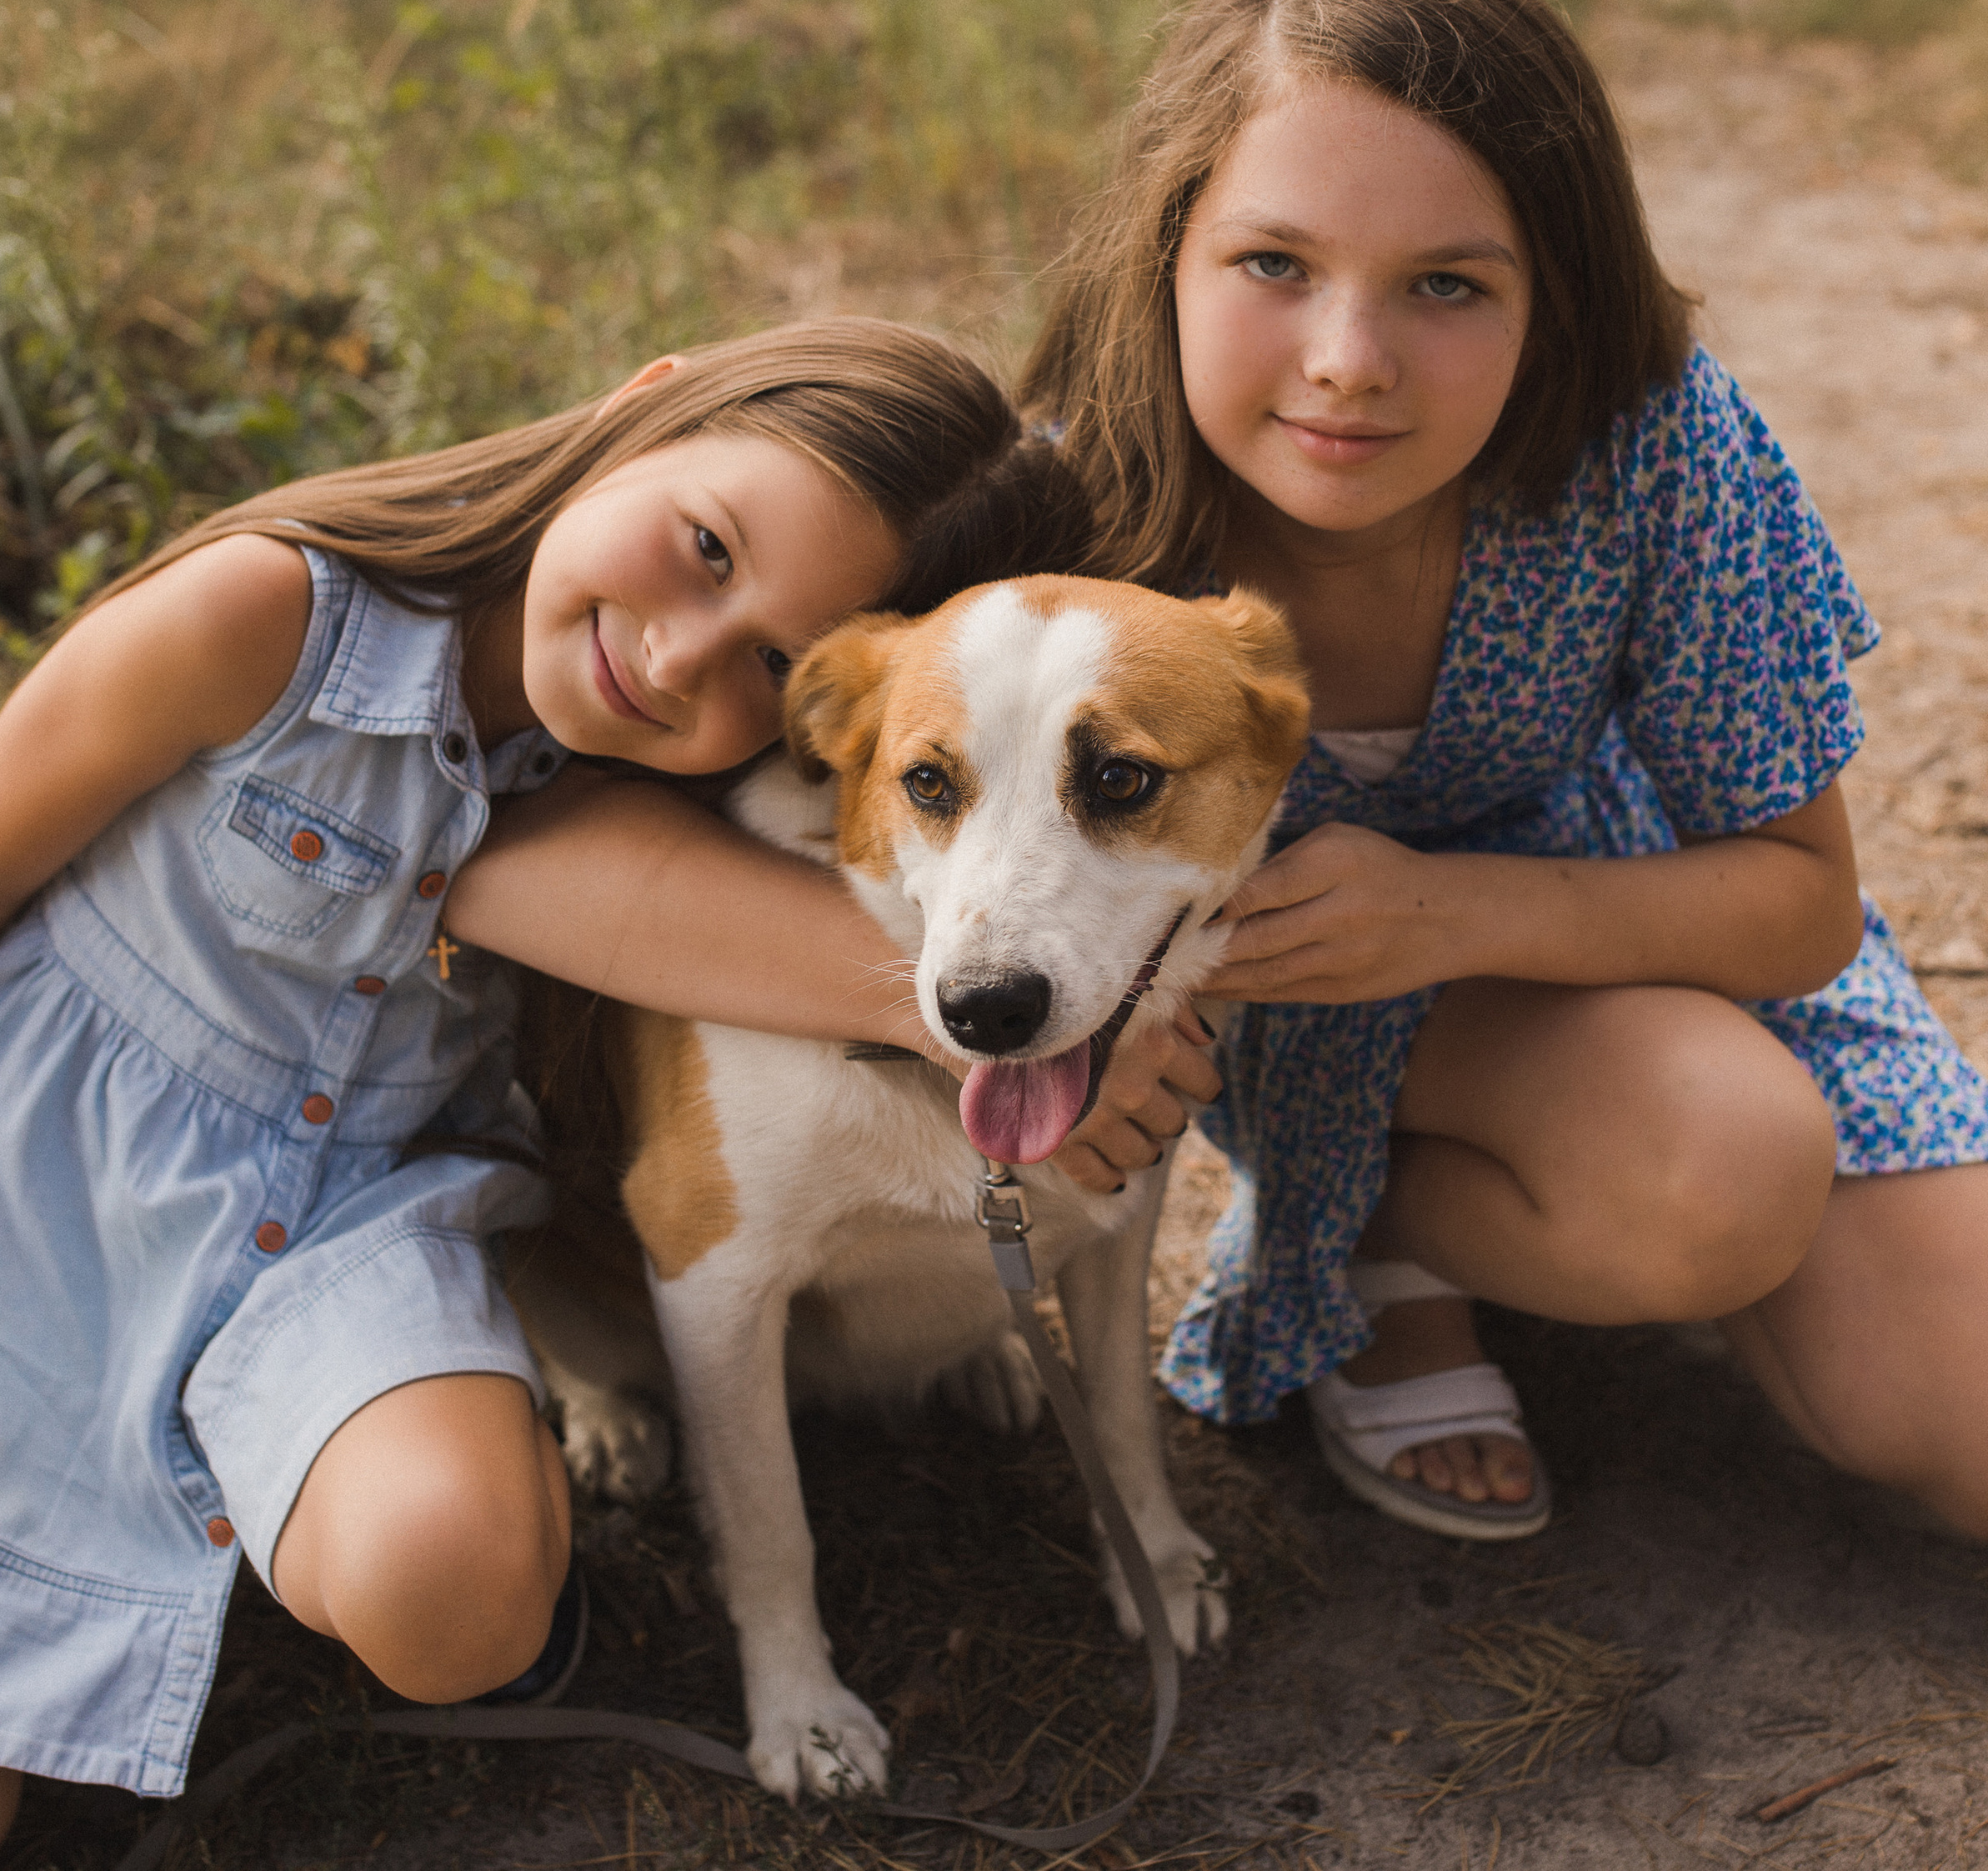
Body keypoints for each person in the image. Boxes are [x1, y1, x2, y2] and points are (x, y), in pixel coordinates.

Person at [0, 318, 1212, 1835]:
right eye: (705, 544)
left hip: (333, 1231)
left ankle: (301, 1522)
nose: (674, 652)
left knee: (455, 1589)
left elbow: (604, 892)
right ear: (653, 403)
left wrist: (1049, 1017)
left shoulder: (611, 785)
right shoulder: (268, 612)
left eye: (768, 664)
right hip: (38, 1166)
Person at [1022, 0, 1988, 1544]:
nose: (1347, 359)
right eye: (1273, 264)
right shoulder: (1068, 511)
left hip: (1621, 933)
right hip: (1280, 1004)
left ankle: (1472, 1211)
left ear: (1554, 291)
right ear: (1167, 247)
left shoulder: (1652, 445)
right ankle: (1371, 1246)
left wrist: (1450, 910)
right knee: (1725, 1164)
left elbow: (1802, 904)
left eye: (1445, 284)